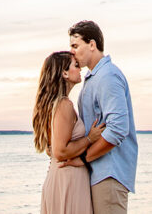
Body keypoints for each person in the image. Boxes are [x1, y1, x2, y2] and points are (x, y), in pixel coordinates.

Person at [69, 20, 138, 214]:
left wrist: (84, 158)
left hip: (109, 174)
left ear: (92, 44)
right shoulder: (93, 78)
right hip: (97, 173)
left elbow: (118, 129)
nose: (72, 52)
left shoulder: (108, 76)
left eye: (75, 46)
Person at [32, 51, 105, 214]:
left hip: (62, 177)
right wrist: (89, 139)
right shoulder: (64, 105)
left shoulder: (53, 105)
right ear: (64, 73)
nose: (80, 69)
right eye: (76, 65)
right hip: (68, 179)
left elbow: (53, 148)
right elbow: (60, 151)